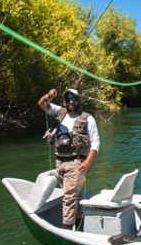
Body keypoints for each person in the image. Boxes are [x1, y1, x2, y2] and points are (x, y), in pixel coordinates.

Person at [38, 88, 100, 229]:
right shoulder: (59, 112)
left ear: (79, 100)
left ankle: (66, 232)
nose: (71, 101)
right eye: (68, 99)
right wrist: (48, 95)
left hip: (76, 163)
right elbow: (41, 104)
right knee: (74, 198)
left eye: (74, 98)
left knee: (69, 198)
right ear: (64, 101)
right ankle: (79, 226)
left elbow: (96, 143)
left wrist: (87, 162)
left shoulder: (88, 119)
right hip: (59, 162)